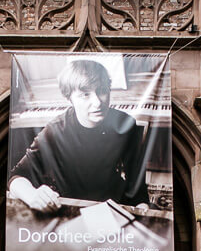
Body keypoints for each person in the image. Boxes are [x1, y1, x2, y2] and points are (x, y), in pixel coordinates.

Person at [9, 59, 149, 213]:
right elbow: (16, 177)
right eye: (85, 94)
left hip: (112, 207)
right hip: (69, 207)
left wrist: (143, 209)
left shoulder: (126, 123)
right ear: (70, 99)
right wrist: (32, 195)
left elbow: (136, 186)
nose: (97, 103)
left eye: (102, 90)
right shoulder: (55, 130)